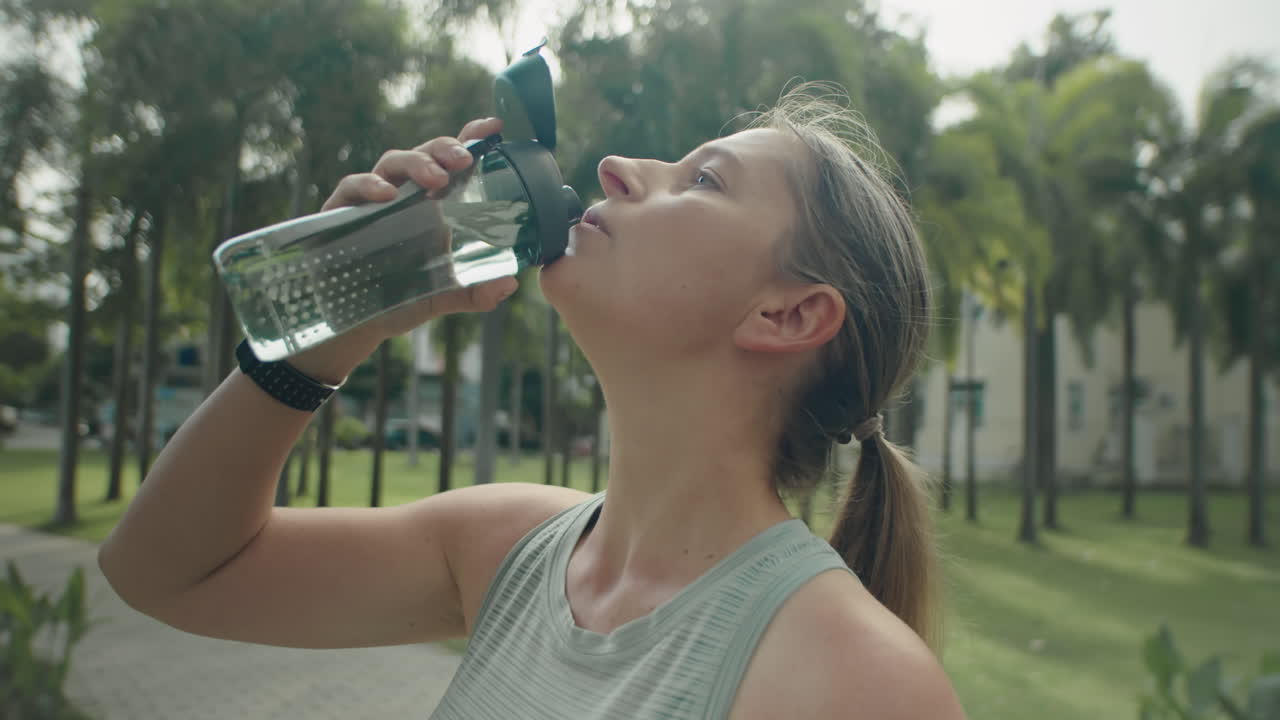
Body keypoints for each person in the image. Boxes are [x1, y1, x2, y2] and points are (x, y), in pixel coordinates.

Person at [98, 85, 966, 719]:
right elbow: (164, 572)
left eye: (704, 181)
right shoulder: (510, 549)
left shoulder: (853, 679)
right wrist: (336, 326)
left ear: (789, 313)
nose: (617, 169)